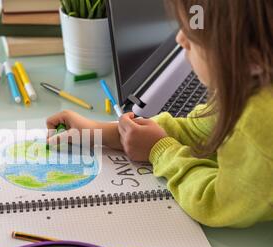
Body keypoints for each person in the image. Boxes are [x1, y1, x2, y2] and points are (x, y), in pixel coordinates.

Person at [46, 0, 273, 228]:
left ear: (251, 61)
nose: (180, 39)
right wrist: (103, 132)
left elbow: (212, 203)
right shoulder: (251, 84)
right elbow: (199, 130)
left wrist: (159, 150)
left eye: (194, 37)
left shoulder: (258, 125)